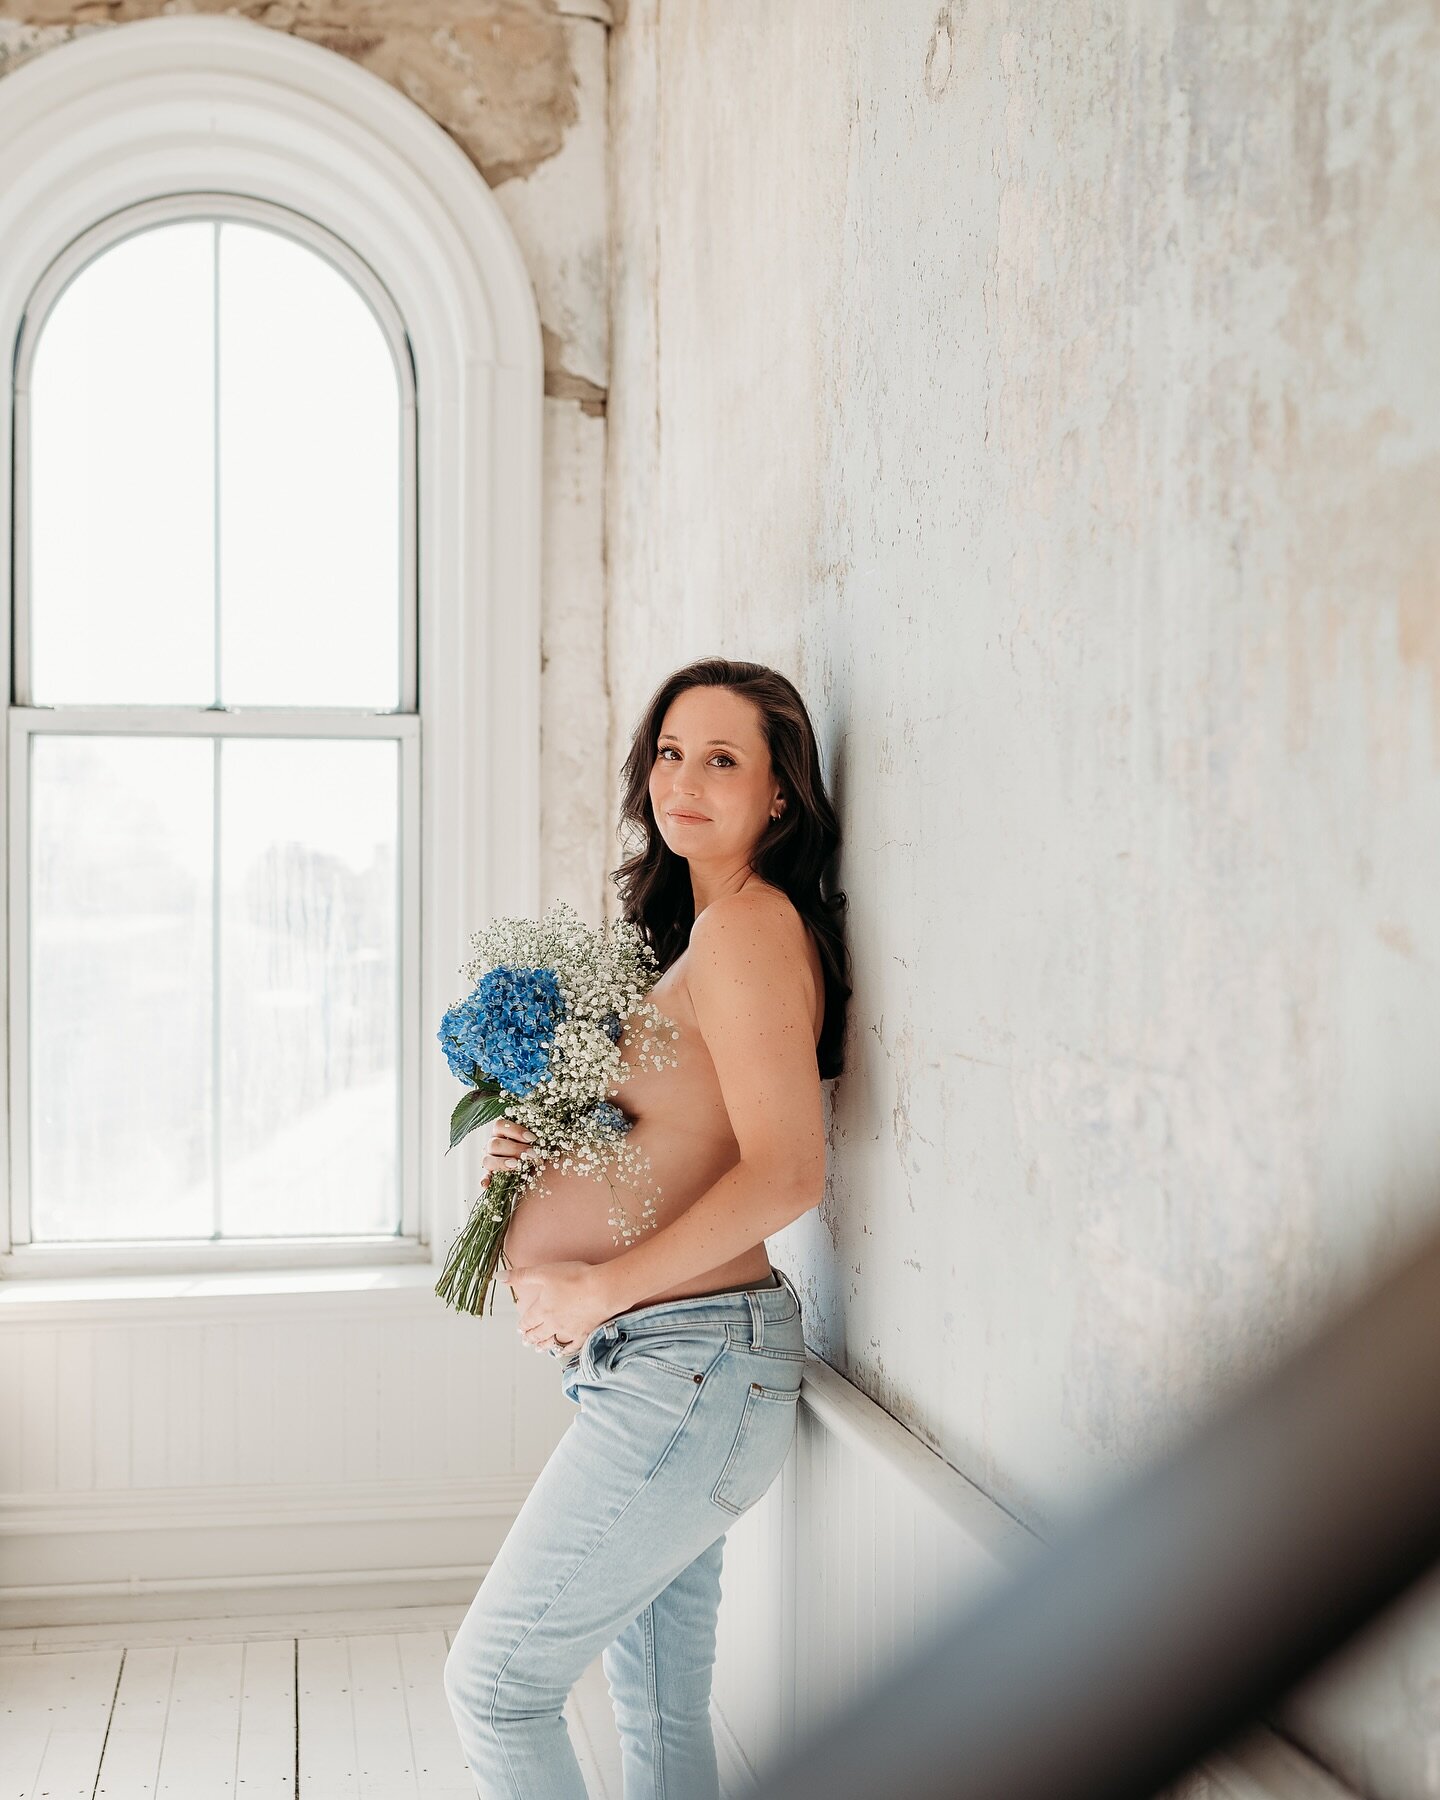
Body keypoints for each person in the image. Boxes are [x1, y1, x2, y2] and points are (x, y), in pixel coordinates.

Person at [443, 656, 851, 1798]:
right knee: (661, 1703)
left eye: (724, 758)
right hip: (669, 1367)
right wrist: (541, 1150)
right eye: (671, 752)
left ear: (781, 795)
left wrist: (598, 1288)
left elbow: (787, 1172)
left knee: (495, 1686)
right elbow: (685, 1140)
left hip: (691, 1362)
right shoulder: (700, 937)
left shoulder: (750, 932)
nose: (686, 779)